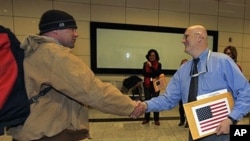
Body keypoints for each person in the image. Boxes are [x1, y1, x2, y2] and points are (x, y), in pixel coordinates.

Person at [6, 9, 141, 141]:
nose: (76, 34)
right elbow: (92, 90)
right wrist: (131, 107)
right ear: (55, 30)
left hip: (30, 130)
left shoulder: (34, 51)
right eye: (72, 29)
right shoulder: (56, 55)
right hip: (49, 133)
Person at [134, 25, 250, 141]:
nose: (182, 41)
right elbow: (168, 99)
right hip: (195, 132)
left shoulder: (222, 62)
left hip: (223, 131)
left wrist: (232, 119)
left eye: (186, 37)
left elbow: (245, 92)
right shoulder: (183, 70)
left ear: (199, 37)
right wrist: (146, 105)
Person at [141, 49, 162, 126]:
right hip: (147, 85)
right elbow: (144, 73)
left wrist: (151, 67)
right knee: (147, 102)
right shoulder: (144, 64)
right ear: (148, 56)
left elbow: (157, 73)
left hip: (156, 85)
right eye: (150, 55)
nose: (152, 57)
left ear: (156, 56)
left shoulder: (159, 64)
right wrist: (152, 73)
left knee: (156, 102)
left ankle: (156, 119)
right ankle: (146, 118)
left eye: (153, 55)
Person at [178, 59, 188, 127]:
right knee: (181, 108)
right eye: (183, 64)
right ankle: (182, 120)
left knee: (188, 108)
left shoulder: (192, 72)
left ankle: (188, 122)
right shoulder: (179, 73)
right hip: (181, 93)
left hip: (189, 93)